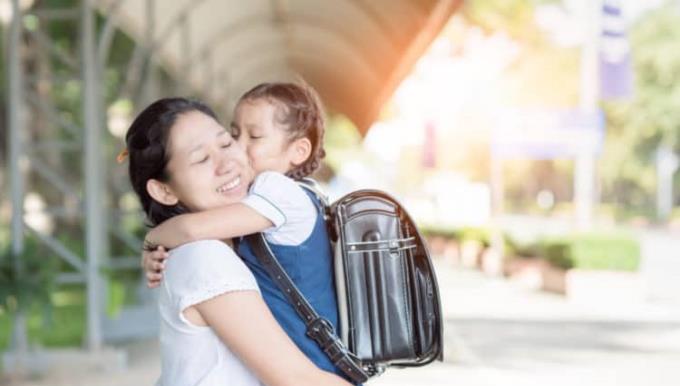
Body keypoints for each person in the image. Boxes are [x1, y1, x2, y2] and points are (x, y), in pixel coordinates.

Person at [124, 97, 349, 386]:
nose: (227, 163)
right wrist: (152, 239)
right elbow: (298, 379)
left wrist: (153, 239)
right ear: (164, 191)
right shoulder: (205, 257)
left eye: (226, 143)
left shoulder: (242, 245)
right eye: (202, 159)